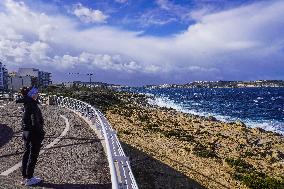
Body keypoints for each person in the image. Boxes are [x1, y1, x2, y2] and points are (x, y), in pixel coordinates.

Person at [16, 87, 45, 186]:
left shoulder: (27, 103)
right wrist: (41, 132)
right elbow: (34, 121)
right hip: (33, 133)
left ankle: (25, 177)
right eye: (36, 93)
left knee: (26, 153)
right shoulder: (32, 104)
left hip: (26, 132)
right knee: (33, 155)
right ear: (32, 94)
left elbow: (25, 119)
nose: (37, 94)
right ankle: (29, 178)